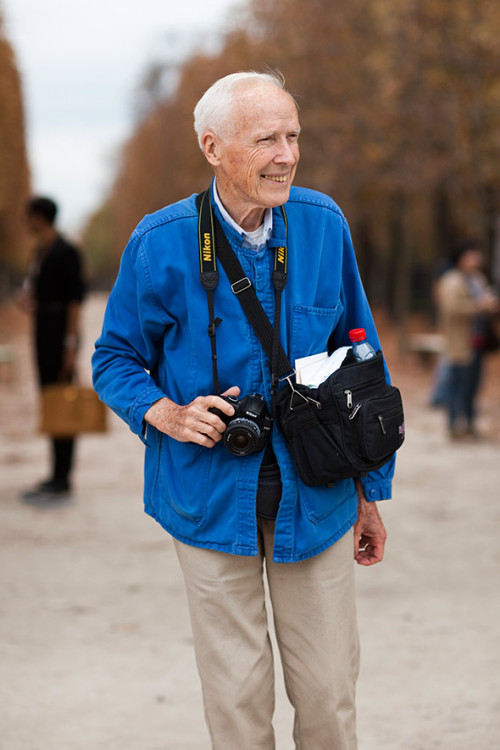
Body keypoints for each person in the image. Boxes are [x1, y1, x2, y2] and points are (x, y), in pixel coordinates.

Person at [92, 71, 395, 749]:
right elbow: (112, 359)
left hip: (317, 501)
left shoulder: (323, 224)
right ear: (213, 148)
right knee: (235, 703)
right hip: (205, 498)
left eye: (293, 136)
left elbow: (363, 361)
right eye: (266, 139)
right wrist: (163, 412)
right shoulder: (159, 241)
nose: (287, 154)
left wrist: (370, 493)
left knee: (328, 697)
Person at [21, 197, 86, 499]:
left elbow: (75, 301)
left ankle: (63, 476)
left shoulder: (66, 252)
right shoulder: (41, 251)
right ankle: (55, 472)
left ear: (39, 217)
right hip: (42, 329)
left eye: (29, 216)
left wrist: (70, 343)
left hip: (61, 331)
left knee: (62, 398)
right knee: (50, 399)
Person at [436, 238, 498, 440]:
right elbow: (451, 309)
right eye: (471, 254)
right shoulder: (451, 280)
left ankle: (470, 424)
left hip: (478, 341)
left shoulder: (477, 278)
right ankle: (454, 427)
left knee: (473, 385)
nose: (476, 258)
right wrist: (480, 306)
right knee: (458, 385)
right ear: (461, 258)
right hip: (460, 342)